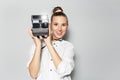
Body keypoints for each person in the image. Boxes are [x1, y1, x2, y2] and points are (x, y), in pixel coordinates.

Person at [28, 6, 75, 80]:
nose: (59, 29)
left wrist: (49, 44)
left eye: (63, 25)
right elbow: (33, 74)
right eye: (56, 24)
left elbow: (63, 70)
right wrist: (38, 45)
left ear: (67, 27)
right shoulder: (36, 46)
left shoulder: (68, 46)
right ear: (50, 26)